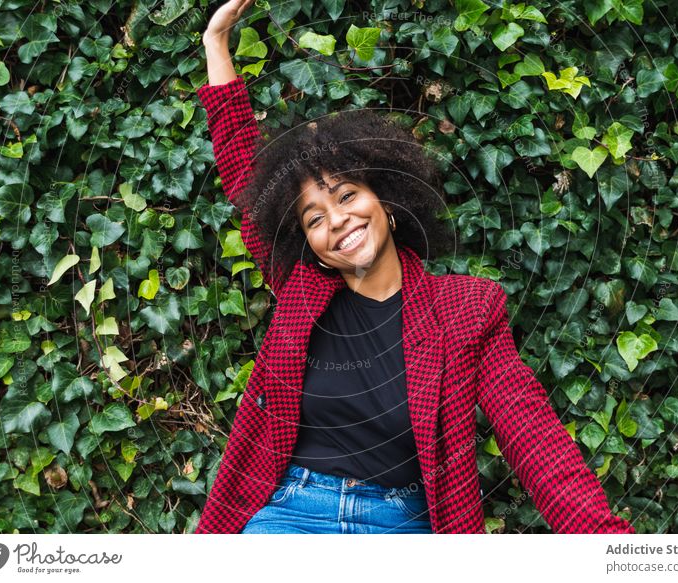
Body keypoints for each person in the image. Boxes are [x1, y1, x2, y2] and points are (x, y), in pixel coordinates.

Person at [194, 0, 636, 535]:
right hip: (289, 514)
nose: (337, 221)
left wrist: (608, 548)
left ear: (388, 201)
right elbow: (247, 175)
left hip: (397, 525)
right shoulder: (299, 285)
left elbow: (534, 439)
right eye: (315, 217)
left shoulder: (468, 310)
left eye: (348, 195)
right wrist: (216, 43)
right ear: (304, 241)